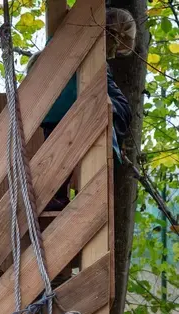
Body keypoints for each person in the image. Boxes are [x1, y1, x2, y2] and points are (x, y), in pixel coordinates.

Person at [27, 7, 134, 210]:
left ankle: (55, 196)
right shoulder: (93, 59)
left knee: (56, 157)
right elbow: (118, 106)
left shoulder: (58, 43)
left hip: (49, 112)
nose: (113, 55)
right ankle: (59, 196)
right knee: (67, 158)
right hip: (72, 112)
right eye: (116, 49)